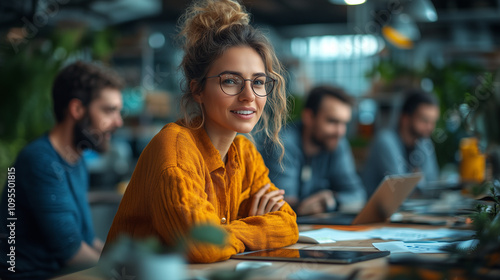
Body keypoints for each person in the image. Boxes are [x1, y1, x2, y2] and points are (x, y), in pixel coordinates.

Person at [104, 0, 298, 263]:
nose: (249, 96)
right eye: (230, 81)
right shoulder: (174, 150)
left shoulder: (245, 153)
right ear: (197, 90)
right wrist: (257, 226)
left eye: (259, 82)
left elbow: (288, 223)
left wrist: (224, 235)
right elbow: (200, 246)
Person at [0, 61, 124, 279]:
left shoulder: (76, 159)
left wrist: (128, 260)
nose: (118, 122)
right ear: (77, 109)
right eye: (109, 110)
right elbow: (72, 253)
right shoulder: (40, 160)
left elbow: (86, 240)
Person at [258, 85, 366, 216]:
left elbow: (358, 195)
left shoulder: (337, 143)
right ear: (308, 117)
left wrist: (332, 201)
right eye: (332, 121)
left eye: (344, 123)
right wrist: (302, 207)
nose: (340, 132)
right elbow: (283, 205)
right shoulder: (281, 144)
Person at [361, 89, 440, 197]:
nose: (430, 127)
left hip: (408, 211)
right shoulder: (385, 140)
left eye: (433, 122)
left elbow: (433, 183)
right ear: (405, 118)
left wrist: (415, 180)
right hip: (380, 212)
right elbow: (400, 189)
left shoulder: (424, 143)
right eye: (424, 120)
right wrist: (419, 178)